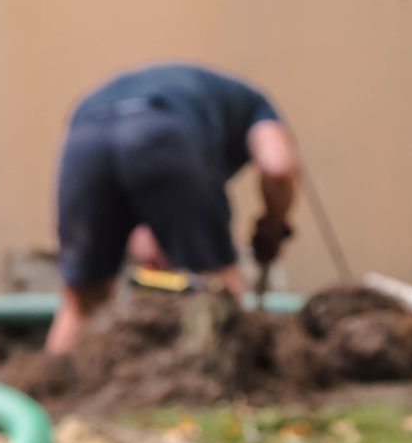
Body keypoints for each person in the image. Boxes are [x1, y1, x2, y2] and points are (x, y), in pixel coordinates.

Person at [46, 62, 298, 353]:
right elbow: (278, 167)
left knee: (82, 302)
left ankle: (52, 393)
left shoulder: (167, 90)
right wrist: (274, 225)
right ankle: (235, 393)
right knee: (217, 289)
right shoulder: (257, 105)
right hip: (166, 131)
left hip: (85, 136)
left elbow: (141, 197)